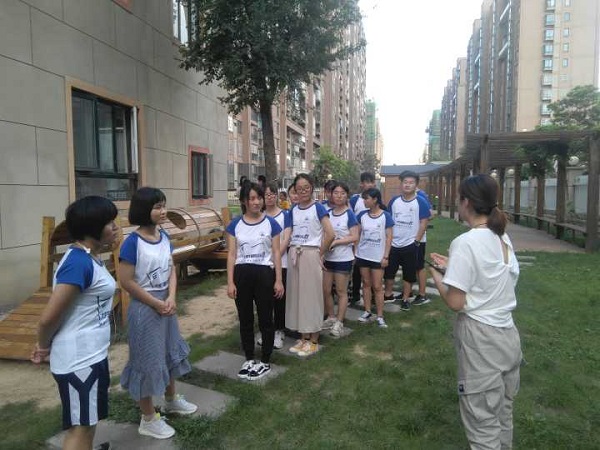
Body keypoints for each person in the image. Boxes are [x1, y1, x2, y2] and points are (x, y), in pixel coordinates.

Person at [429, 174, 522, 450]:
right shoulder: (502, 236)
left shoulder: (466, 242)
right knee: (502, 413)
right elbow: (491, 277)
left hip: (481, 341)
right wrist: (453, 265)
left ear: (466, 202)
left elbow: (456, 302)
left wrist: (437, 276)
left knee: (482, 425)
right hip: (508, 336)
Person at [32, 196, 119, 450]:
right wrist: (42, 346)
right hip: (80, 360)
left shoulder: (90, 257)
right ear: (92, 228)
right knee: (80, 427)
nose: (115, 227)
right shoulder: (77, 263)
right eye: (109, 223)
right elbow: (49, 317)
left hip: (92, 354)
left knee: (88, 421)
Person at [119, 187, 197, 440]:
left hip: (166, 305)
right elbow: (126, 281)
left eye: (164, 205)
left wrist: (171, 297)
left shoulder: (163, 236)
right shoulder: (132, 243)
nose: (163, 211)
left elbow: (171, 268)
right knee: (146, 361)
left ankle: (171, 399)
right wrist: (155, 302)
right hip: (145, 309)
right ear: (144, 210)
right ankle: (148, 418)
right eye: (157, 207)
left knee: (169, 352)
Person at [227, 181, 284, 380]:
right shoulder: (235, 225)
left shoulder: (271, 224)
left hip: (264, 274)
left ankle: (265, 360)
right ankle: (249, 357)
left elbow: (276, 253)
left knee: (266, 318)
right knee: (245, 319)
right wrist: (230, 282)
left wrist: (278, 280)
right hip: (241, 274)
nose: (256, 202)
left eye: (259, 198)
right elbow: (232, 255)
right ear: (244, 201)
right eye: (251, 198)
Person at [286, 173, 335, 356]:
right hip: (294, 254)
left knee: (312, 297)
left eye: (306, 187)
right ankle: (303, 338)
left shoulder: (318, 208)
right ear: (295, 190)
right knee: (298, 297)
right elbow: (288, 234)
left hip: (311, 253)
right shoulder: (293, 210)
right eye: (299, 189)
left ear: (312, 188)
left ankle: (314, 340)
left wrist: (319, 253)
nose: (303, 191)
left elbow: (330, 234)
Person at [383, 170, 431, 311]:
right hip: (394, 243)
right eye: (405, 182)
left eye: (411, 182)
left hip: (410, 244)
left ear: (416, 185)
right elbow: (389, 220)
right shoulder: (394, 201)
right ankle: (388, 294)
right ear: (401, 184)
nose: (407, 185)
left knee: (409, 273)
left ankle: (405, 299)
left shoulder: (420, 202)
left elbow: (424, 222)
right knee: (389, 271)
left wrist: (416, 241)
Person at [321, 182, 359, 337]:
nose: (338, 196)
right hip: (328, 258)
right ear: (331, 194)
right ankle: (331, 317)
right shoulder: (328, 213)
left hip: (343, 258)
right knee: (326, 289)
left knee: (341, 291)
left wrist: (336, 242)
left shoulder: (349, 214)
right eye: (336, 193)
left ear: (347, 196)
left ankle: (339, 321)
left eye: (342, 193)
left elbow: (355, 236)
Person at [256, 182, 290, 350]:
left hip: (281, 263)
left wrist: (274, 257)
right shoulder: (259, 216)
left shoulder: (285, 215)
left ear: (277, 196)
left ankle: (279, 330)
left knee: (279, 299)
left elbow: (286, 239)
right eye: (266, 195)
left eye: (272, 194)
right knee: (264, 300)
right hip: (262, 264)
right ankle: (266, 330)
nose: (269, 197)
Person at [354, 188, 393, 328]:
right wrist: (355, 251)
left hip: (378, 257)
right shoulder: (362, 215)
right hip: (363, 255)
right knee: (366, 284)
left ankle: (380, 316)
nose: (364, 201)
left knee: (377, 286)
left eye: (366, 198)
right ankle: (367, 311)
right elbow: (357, 234)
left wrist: (386, 256)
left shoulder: (386, 216)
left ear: (375, 199)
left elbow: (389, 238)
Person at [349, 172, 376, 305]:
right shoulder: (355, 200)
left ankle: (373, 295)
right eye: (366, 182)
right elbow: (349, 217)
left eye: (371, 182)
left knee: (372, 270)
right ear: (361, 184)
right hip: (357, 239)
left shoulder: (377, 199)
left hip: (372, 241)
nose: (369, 185)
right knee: (357, 269)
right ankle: (355, 294)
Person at [412, 188, 434, 306]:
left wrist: (417, 220)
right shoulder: (402, 197)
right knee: (409, 265)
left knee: (419, 266)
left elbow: (431, 214)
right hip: (406, 239)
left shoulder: (420, 195)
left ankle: (422, 295)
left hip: (418, 238)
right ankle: (408, 292)